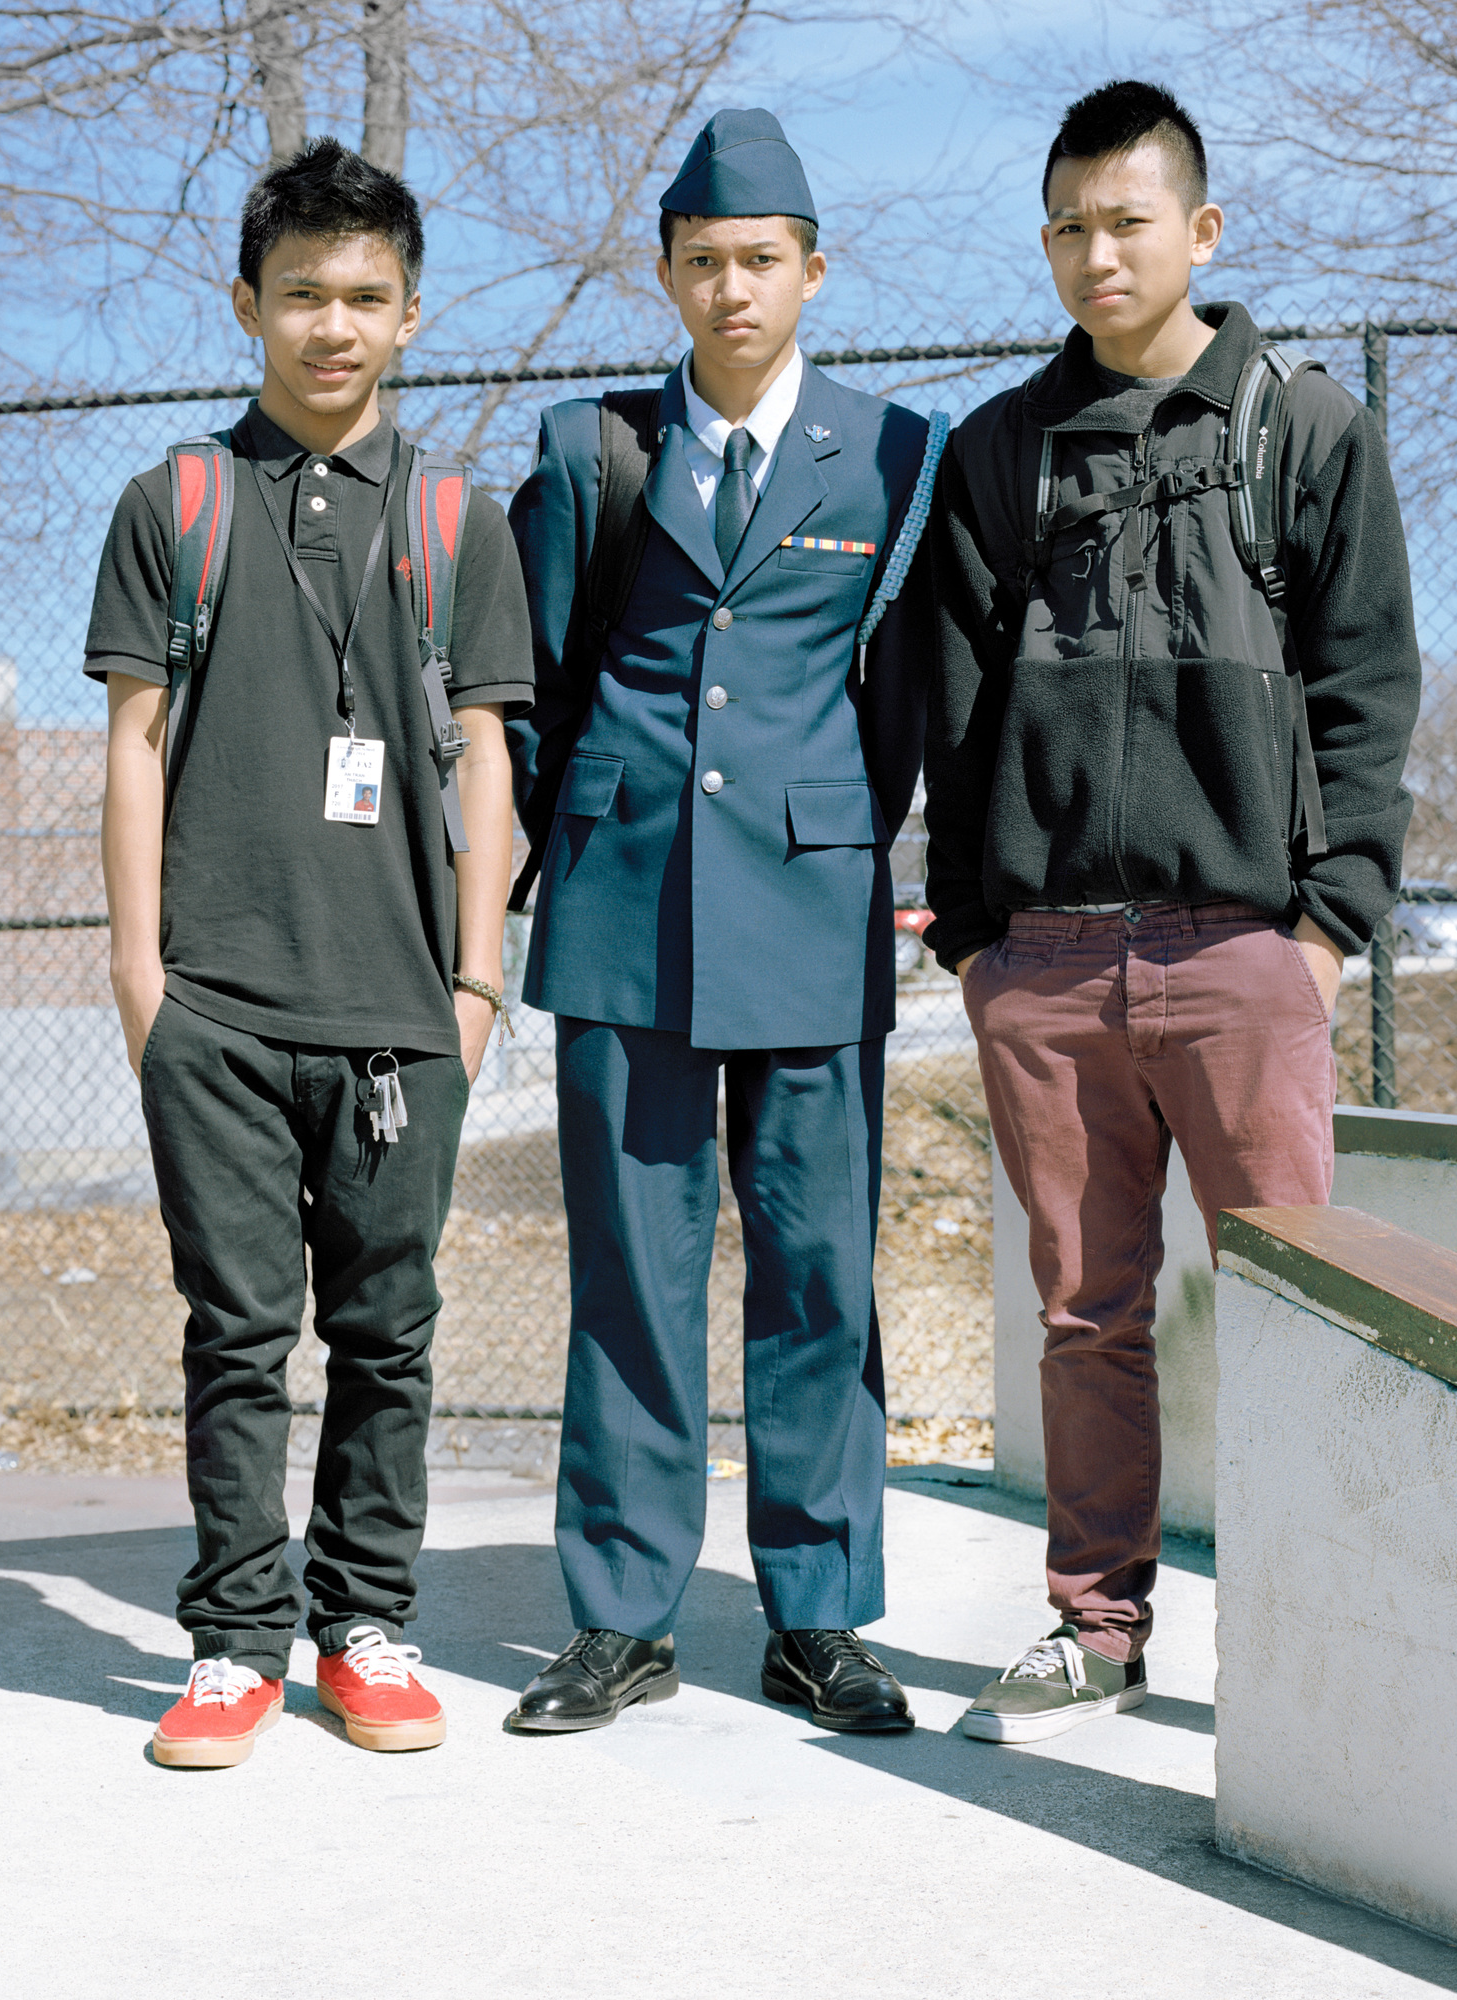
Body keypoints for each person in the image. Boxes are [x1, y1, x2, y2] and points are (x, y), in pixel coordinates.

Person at [921, 81, 1421, 1741]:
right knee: (1086, 1318)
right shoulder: (998, 452)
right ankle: (1095, 1628)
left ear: (1201, 231)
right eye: (1067, 225)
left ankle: (1317, 1650)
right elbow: (954, 714)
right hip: (1049, 964)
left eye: (1127, 221)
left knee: (1296, 1310)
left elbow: (1366, 691)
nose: (1096, 253)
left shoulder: (1303, 429)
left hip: (1242, 955)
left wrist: (1327, 931)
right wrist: (977, 940)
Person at [85, 137, 534, 1768]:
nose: (330, 326)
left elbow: (488, 760)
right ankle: (232, 1645)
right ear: (247, 305)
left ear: (411, 314)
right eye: (300, 295)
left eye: (362, 296)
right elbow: (134, 750)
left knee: (388, 1335)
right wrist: (142, 978)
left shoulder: (457, 521)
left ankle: (365, 1625)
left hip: (405, 1014)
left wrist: (474, 982)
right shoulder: (177, 506)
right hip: (213, 1008)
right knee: (236, 1334)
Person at [500, 109, 935, 1736]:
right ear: (668, 274)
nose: (732, 289)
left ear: (814, 271)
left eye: (761, 261)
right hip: (625, 914)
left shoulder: (896, 456)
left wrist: (829, 827)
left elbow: (901, 698)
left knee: (820, 1271)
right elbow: (534, 692)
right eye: (704, 262)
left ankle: (819, 1615)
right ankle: (622, 1618)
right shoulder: (590, 451)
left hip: (813, 915)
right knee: (634, 1272)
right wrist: (582, 837)